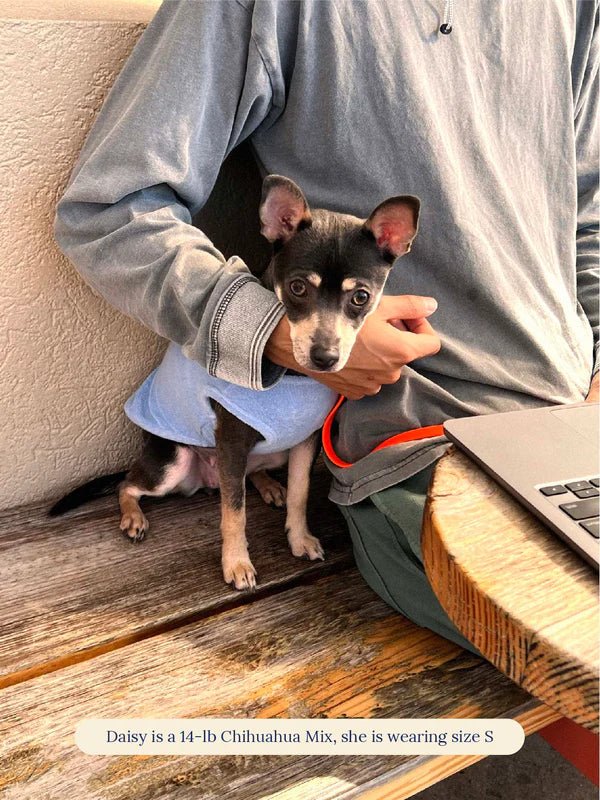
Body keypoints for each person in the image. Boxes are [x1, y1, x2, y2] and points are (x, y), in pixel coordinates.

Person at [54, 0, 599, 655]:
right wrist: (293, 336)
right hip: (433, 450)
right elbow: (109, 211)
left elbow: (586, 219)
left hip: (580, 423)